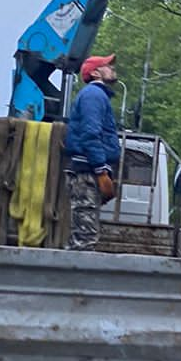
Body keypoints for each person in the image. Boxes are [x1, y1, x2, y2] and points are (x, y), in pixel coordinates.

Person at [64, 54, 121, 251]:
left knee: (84, 229)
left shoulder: (96, 96)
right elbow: (91, 134)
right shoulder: (94, 96)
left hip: (88, 170)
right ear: (96, 72)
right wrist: (101, 170)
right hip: (88, 171)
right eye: (107, 66)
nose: (112, 69)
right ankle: (76, 277)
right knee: (85, 235)